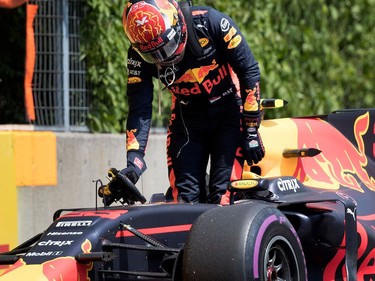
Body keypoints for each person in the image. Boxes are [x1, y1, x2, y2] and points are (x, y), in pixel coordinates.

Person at [120, 0, 265, 204]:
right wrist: (134, 162)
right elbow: (139, 108)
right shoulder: (136, 55)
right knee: (185, 200)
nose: (163, 56)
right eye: (151, 54)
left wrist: (251, 127)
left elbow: (248, 70)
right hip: (186, 119)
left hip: (229, 114)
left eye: (166, 46)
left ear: (177, 22)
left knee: (223, 196)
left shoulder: (212, 23)